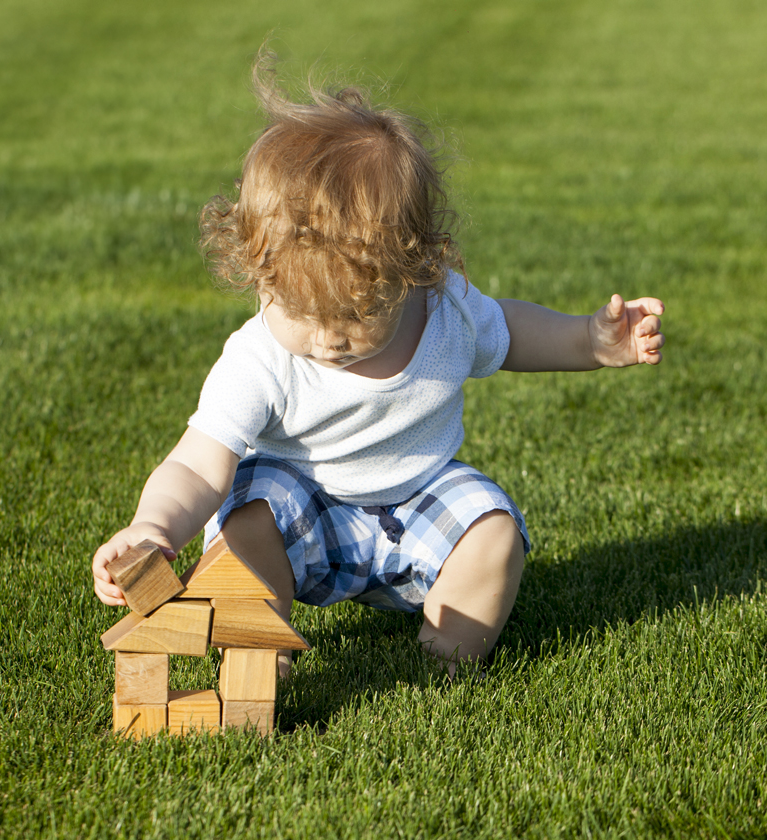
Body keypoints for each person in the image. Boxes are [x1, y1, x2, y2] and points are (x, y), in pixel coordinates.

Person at [91, 52, 665, 676]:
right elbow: (198, 468)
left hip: (415, 503)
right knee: (246, 518)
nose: (325, 339)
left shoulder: (443, 312)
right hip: (300, 514)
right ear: (259, 277)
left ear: (413, 272)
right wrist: (153, 528)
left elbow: (513, 332)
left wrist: (589, 340)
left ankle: (445, 659)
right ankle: (258, 650)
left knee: (493, 529)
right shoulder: (259, 359)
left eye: (353, 315)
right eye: (299, 311)